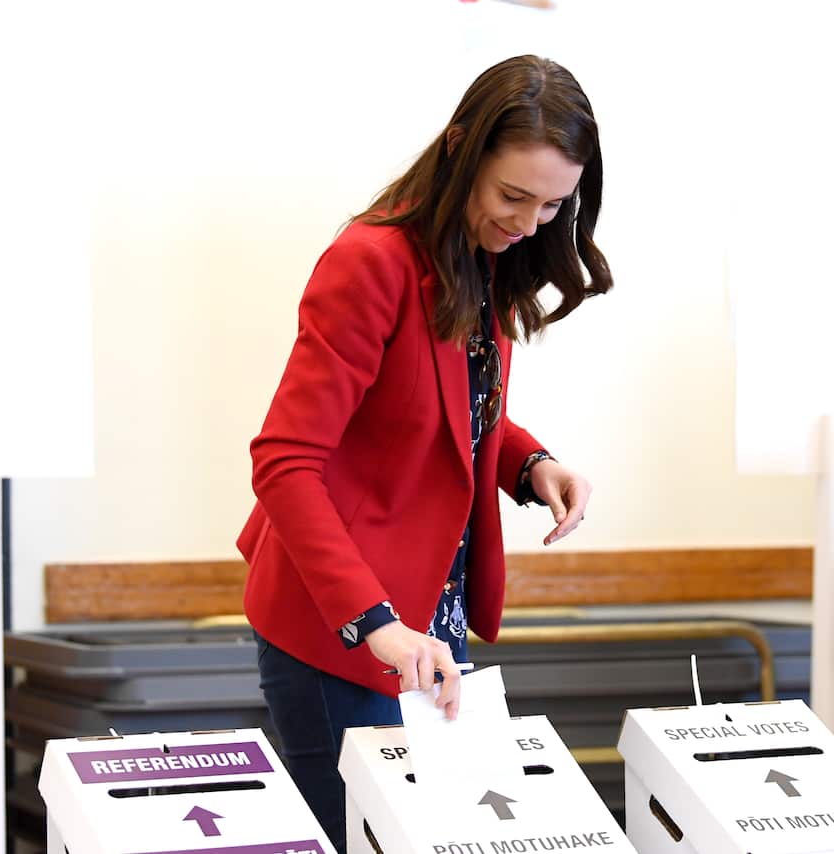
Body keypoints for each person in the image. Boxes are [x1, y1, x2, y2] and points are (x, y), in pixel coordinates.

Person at [237, 54, 612, 852]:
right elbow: (284, 461)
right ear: (460, 150)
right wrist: (374, 622)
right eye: (513, 195)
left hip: (429, 624)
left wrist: (528, 462)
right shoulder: (369, 261)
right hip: (343, 624)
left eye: (551, 205)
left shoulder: (481, 257)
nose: (528, 223)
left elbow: (448, 410)